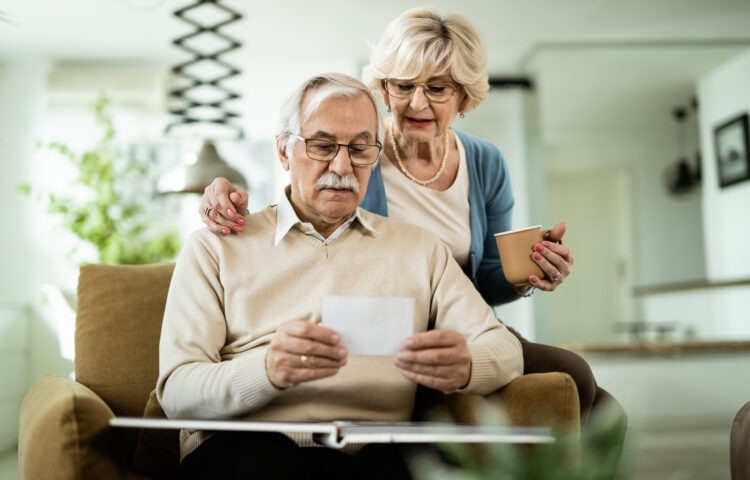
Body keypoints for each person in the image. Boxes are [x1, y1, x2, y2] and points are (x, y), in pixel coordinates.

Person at [196, 6, 622, 424]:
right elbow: (303, 207)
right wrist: (221, 195)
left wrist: (530, 272)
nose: (417, 103)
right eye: (403, 86)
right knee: (577, 383)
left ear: (464, 96)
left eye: (437, 88)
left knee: (595, 397)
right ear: (384, 89)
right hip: (383, 329)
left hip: (457, 325)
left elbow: (487, 280)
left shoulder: (485, 162)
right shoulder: (358, 153)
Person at [157, 73, 524, 480]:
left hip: (375, 455)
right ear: (283, 151)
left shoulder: (420, 249)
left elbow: (505, 349)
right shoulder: (216, 247)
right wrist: (266, 370)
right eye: (323, 145)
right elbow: (177, 392)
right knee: (258, 460)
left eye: (360, 148)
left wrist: (468, 364)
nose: (343, 165)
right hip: (251, 449)